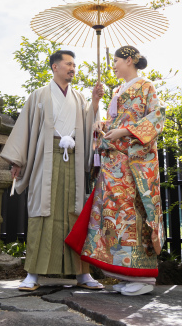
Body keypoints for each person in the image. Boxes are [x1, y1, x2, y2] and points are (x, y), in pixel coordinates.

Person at [0, 50, 105, 291]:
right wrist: (17, 161)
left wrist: (96, 102)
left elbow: (92, 125)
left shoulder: (80, 98)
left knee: (75, 213)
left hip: (75, 161)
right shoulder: (39, 95)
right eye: (68, 64)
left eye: (74, 65)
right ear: (54, 67)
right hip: (45, 161)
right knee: (41, 212)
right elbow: (25, 129)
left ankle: (82, 275)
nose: (73, 68)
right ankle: (32, 274)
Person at [65, 45, 165, 296]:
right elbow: (115, 121)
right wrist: (102, 124)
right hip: (114, 162)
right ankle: (122, 272)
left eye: (117, 60)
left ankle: (142, 276)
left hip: (133, 163)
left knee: (133, 213)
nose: (114, 65)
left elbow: (157, 118)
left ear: (130, 60)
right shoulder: (117, 90)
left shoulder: (146, 86)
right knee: (114, 216)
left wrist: (124, 131)